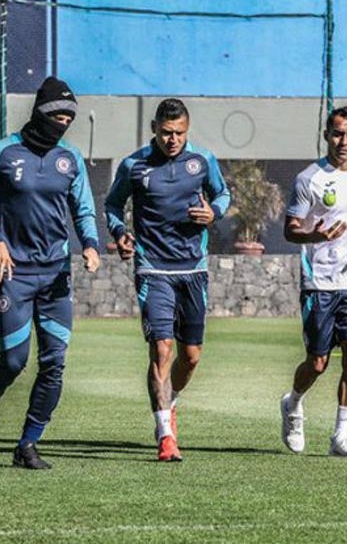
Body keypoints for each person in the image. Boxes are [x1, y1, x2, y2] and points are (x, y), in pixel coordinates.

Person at [0, 77, 100, 470]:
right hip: (15, 275)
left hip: (56, 275)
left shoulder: (70, 159)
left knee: (54, 361)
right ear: (40, 113)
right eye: (57, 114)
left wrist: (89, 244)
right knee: (13, 361)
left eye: (69, 116)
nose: (64, 121)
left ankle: (28, 443)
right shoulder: (4, 152)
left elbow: (83, 210)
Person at [104, 98, 231, 462]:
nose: (172, 139)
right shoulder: (134, 164)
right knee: (162, 347)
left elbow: (222, 194)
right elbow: (113, 205)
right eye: (165, 132)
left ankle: (169, 401)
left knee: (190, 357)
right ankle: (165, 434)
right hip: (152, 267)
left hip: (193, 268)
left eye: (178, 133)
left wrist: (213, 212)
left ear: (187, 131)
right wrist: (120, 232)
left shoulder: (202, 161)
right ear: (154, 129)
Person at [280, 105, 347, 458]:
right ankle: (292, 404)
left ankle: (340, 437)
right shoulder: (309, 179)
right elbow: (290, 230)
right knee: (318, 362)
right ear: (326, 135)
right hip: (319, 282)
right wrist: (313, 235)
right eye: (337, 133)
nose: (343, 141)